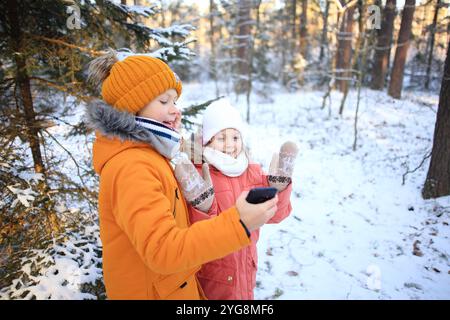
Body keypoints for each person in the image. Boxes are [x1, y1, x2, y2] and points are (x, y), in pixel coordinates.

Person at [85, 50, 278, 299]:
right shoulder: (132, 166)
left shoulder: (152, 156)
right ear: (132, 106)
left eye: (175, 101)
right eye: (164, 102)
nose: (176, 110)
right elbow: (164, 251)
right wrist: (239, 223)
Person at [174, 99, 298, 299]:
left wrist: (279, 189)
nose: (230, 145)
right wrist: (202, 207)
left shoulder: (252, 171)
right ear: (207, 140)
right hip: (213, 273)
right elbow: (196, 230)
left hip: (245, 269)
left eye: (235, 137)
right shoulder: (200, 175)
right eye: (221, 138)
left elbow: (276, 215)